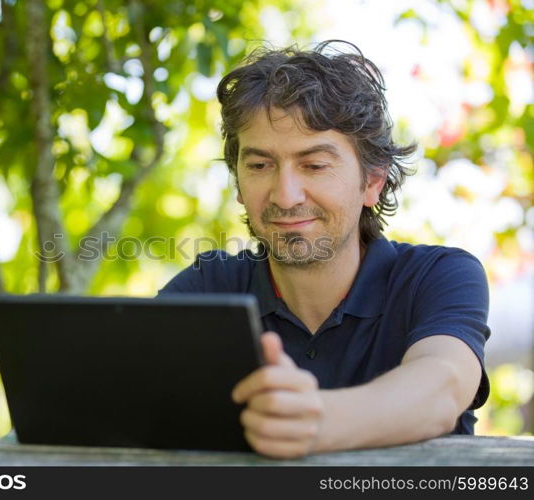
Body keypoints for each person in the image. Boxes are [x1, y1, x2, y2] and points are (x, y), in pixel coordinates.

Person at [156, 40, 490, 458]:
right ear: (239, 182)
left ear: (372, 181)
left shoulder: (436, 276)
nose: (286, 194)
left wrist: (316, 420)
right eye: (259, 166)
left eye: (314, 165)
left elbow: (441, 386)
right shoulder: (209, 287)